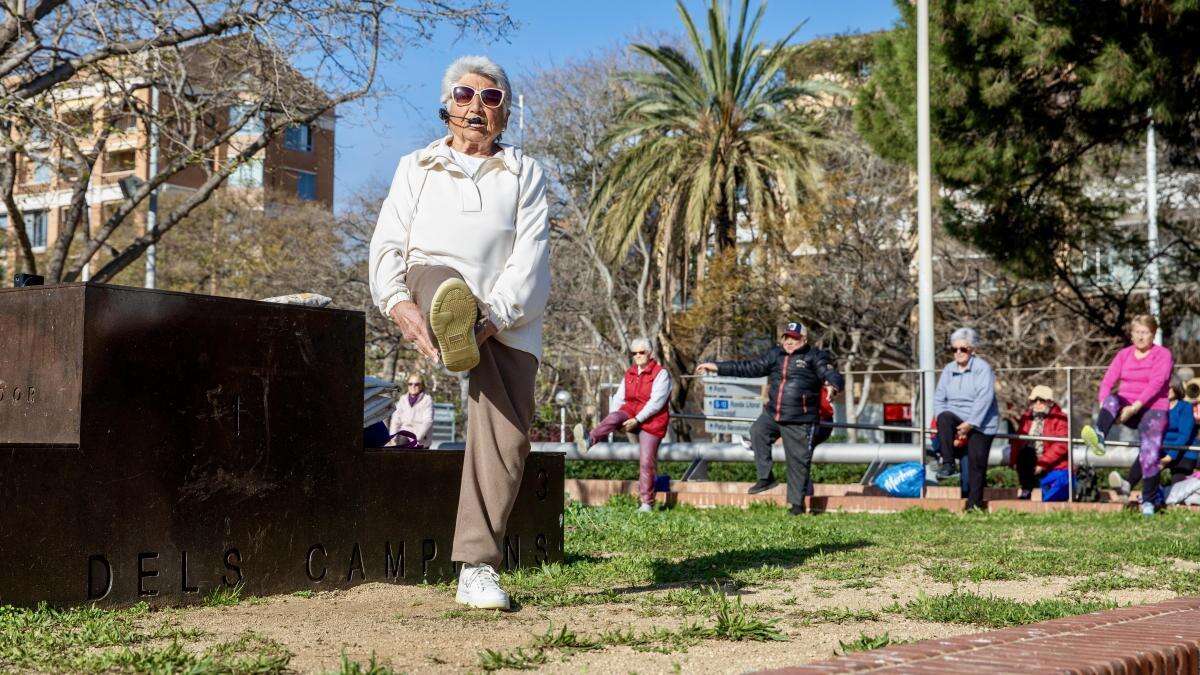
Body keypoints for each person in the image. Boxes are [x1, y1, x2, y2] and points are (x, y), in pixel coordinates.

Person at [368, 55, 550, 610]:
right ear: (447, 106)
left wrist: (492, 317)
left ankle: (475, 568)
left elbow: (532, 257)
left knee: (508, 440)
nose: (477, 107)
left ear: (505, 113)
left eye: (491, 99)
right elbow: (387, 245)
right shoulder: (415, 167)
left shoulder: (525, 173)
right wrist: (397, 302)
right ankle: (454, 316)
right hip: (433, 280)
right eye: (466, 95)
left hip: (504, 317)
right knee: (442, 280)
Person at [695, 321, 843, 515]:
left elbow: (829, 372)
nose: (789, 342)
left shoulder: (814, 356)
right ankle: (766, 477)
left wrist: (832, 384)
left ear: (804, 340)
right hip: (774, 414)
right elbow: (749, 367)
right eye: (786, 338)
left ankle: (796, 506)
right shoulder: (776, 355)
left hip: (800, 419)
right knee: (757, 430)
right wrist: (717, 367)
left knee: (797, 463)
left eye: (794, 338)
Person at [1081, 315, 1174, 517]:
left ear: (1153, 334)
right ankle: (1099, 436)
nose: (1140, 337)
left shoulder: (1163, 355)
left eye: (1145, 333)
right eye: (1137, 332)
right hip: (1126, 405)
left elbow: (1157, 383)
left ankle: (1148, 502)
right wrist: (1104, 405)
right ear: (1131, 334)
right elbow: (1107, 382)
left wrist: (1135, 407)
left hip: (1153, 408)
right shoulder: (1124, 355)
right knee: (1112, 400)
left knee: (1150, 453)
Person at [572, 338, 671, 512]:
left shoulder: (661, 374)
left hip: (652, 420)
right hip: (631, 411)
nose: (638, 356)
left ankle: (646, 502)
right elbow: (619, 397)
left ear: (650, 353)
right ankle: (589, 440)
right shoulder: (630, 373)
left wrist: (637, 420)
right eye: (635, 353)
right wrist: (615, 418)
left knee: (646, 461)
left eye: (642, 352)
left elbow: (656, 403)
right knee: (614, 416)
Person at [932, 327, 999, 511]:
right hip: (955, 417)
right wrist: (941, 418)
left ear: (972, 350)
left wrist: (970, 424)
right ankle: (947, 463)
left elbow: (984, 398)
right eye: (955, 349)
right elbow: (939, 399)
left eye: (963, 349)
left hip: (981, 423)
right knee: (943, 417)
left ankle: (974, 506)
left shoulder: (983, 369)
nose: (958, 353)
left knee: (975, 465)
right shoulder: (948, 369)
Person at [1108, 380, 1196, 504]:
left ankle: (1158, 499)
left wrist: (1168, 458)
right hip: (1161, 449)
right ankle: (1126, 486)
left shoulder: (1185, 407)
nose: (1166, 389)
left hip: (1183, 452)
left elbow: (1184, 435)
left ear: (1176, 388)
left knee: (1178, 492)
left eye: (1169, 387)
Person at [1009, 385, 1069, 501]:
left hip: (1051, 462)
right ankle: (1026, 489)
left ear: (1049, 402)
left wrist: (1043, 463)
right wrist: (1013, 461)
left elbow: (1062, 444)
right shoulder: (1026, 417)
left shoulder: (1060, 418)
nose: (1037, 403)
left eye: (1041, 400)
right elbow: (1017, 440)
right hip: (1030, 459)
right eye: (1034, 400)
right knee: (1026, 453)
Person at [388, 375, 435, 448]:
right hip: (404, 436)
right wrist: (392, 437)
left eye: (417, 384)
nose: (413, 386)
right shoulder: (403, 399)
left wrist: (417, 438)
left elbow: (428, 421)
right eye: (410, 384)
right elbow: (396, 420)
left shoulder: (427, 400)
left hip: (420, 439)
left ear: (421, 386)